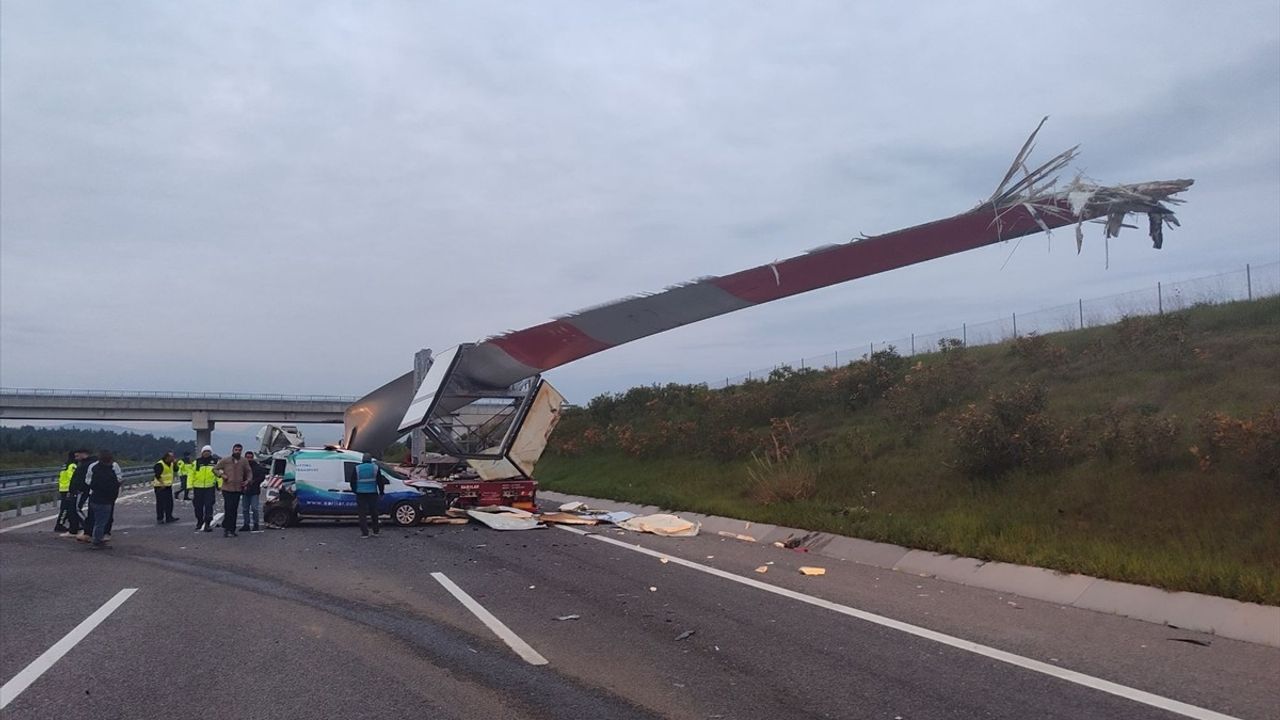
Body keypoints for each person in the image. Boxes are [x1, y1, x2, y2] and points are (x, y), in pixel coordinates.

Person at [84, 450, 122, 548]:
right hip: (104, 500)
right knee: (101, 522)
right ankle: (97, 541)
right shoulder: (109, 471)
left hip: (94, 497)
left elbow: (91, 483)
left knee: (97, 520)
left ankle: (95, 537)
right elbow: (113, 485)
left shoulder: (95, 469)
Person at [214, 443, 252, 537]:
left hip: (238, 488)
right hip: (227, 488)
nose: (237, 452)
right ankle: (226, 528)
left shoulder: (244, 461)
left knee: (234, 509)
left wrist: (247, 481)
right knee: (228, 508)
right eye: (236, 450)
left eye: (239, 450)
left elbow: (249, 472)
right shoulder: (225, 460)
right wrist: (222, 475)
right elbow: (215, 469)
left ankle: (232, 529)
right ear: (233, 450)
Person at [349, 453, 385, 538]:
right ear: (370, 460)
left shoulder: (357, 468)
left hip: (360, 493)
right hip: (372, 493)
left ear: (362, 459)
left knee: (362, 513)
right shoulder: (375, 468)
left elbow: (352, 481)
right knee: (374, 512)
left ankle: (365, 533)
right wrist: (382, 492)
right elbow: (380, 481)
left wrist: (355, 491)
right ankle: (376, 531)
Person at [190, 445, 219, 532]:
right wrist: (189, 485)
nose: (206, 453)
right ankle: (199, 521)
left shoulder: (214, 462)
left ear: (210, 453)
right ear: (202, 452)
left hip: (209, 487)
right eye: (205, 451)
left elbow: (219, 474)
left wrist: (220, 484)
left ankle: (207, 523)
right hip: (198, 487)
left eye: (208, 451)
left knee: (209, 505)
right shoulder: (197, 462)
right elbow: (191, 474)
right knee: (198, 506)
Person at [240, 451, 266, 533]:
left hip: (254, 490)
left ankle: (255, 524)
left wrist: (254, 482)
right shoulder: (242, 467)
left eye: (250, 457)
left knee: (255, 508)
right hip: (245, 490)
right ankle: (246, 524)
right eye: (247, 457)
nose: (249, 459)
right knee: (245, 509)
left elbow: (262, 477)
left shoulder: (257, 467)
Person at [53, 451, 78, 534]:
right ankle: (59, 525)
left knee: (66, 507)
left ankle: (70, 524)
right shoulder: (72, 465)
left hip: (63, 488)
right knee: (66, 508)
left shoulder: (65, 465)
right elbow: (73, 477)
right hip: (68, 489)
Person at [153, 451, 179, 524]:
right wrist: (162, 483)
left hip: (168, 486)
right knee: (161, 503)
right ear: (167, 457)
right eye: (172, 457)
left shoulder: (171, 464)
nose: (173, 458)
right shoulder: (160, 464)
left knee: (169, 502)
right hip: (160, 486)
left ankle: (169, 517)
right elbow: (157, 475)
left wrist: (175, 464)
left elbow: (176, 470)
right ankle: (160, 518)